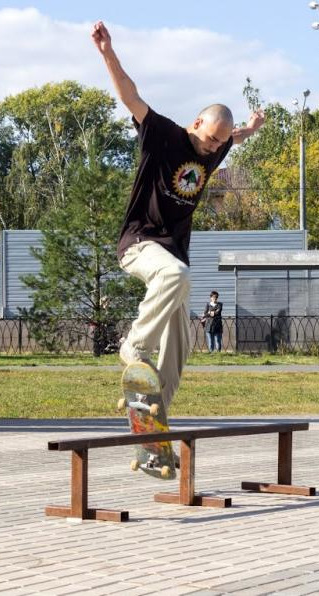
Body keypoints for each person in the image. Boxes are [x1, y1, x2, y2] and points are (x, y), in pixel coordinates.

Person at [92, 21, 264, 410]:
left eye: (220, 142)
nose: (213, 148)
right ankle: (133, 346)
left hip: (173, 253)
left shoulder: (217, 146)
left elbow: (234, 138)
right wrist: (107, 54)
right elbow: (130, 96)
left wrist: (249, 129)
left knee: (182, 338)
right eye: (210, 139)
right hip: (140, 242)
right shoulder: (162, 135)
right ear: (197, 122)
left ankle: (155, 410)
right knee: (176, 275)